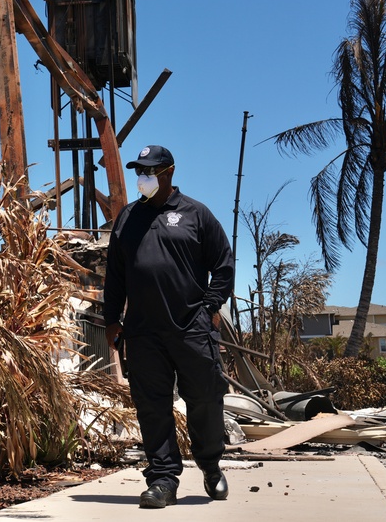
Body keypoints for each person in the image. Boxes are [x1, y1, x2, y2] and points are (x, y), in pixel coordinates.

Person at [103, 144, 234, 509]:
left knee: (206, 398)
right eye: (139, 172)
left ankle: (210, 466)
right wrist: (112, 319)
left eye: (149, 172)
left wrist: (210, 306)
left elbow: (223, 265)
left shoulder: (195, 214)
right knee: (152, 406)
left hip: (191, 327)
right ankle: (162, 479)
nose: (142, 179)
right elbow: (114, 275)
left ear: (169, 173)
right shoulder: (127, 218)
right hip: (143, 331)